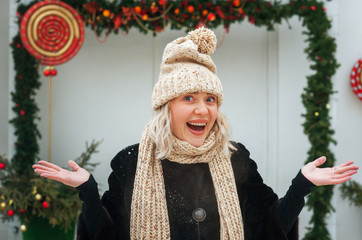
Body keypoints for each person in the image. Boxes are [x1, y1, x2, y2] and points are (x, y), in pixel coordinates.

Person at [33, 28, 358, 240]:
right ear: (167, 106)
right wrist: (88, 190)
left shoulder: (236, 158)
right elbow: (105, 234)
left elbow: (271, 228)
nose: (202, 110)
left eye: (210, 99)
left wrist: (302, 183)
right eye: (189, 98)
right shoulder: (131, 161)